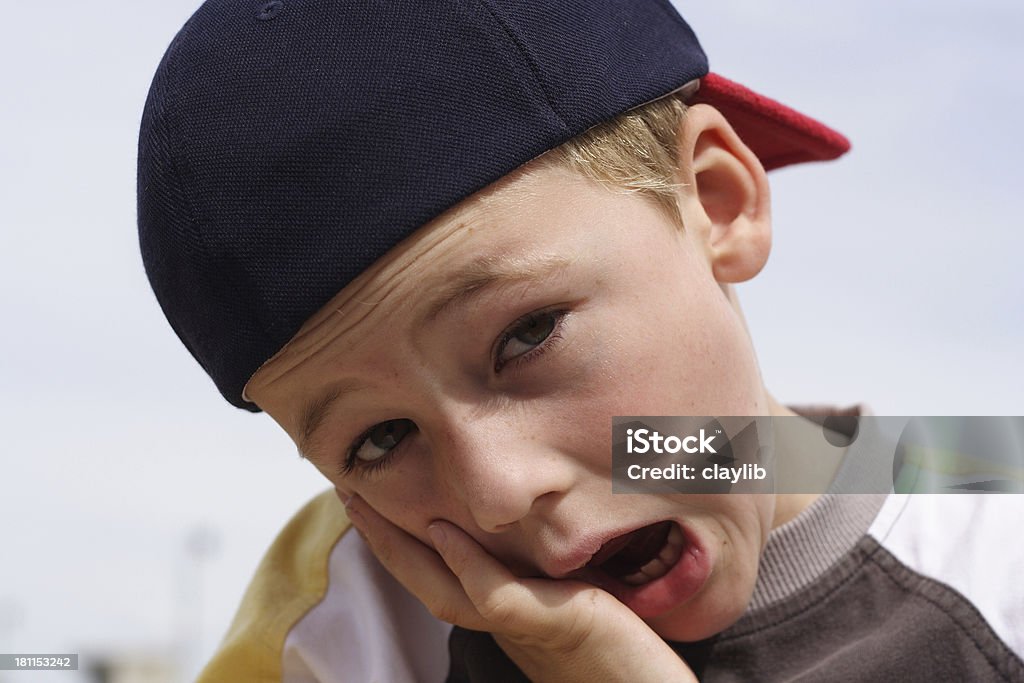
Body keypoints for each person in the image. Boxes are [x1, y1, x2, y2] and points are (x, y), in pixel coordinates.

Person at [137, 1, 1024, 681]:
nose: (498, 493)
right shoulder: (339, 633)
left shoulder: (996, 515)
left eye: (526, 335)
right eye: (380, 439)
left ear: (715, 203)